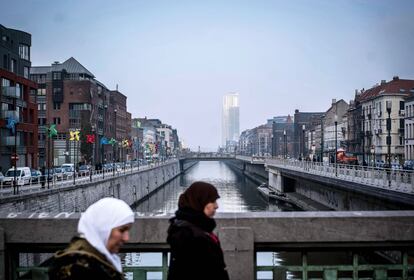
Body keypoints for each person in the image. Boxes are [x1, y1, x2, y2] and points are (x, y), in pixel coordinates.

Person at [49, 197, 134, 279]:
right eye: (122, 230)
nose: (126, 238)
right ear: (103, 228)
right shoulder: (81, 269)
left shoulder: (87, 258)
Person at [167, 181, 230, 280]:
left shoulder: (193, 228)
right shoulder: (189, 235)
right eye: (213, 201)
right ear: (201, 202)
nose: (216, 206)